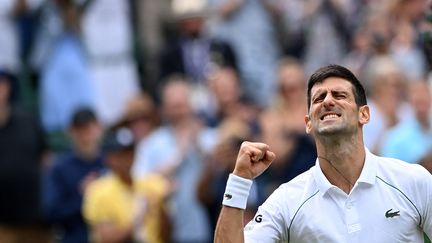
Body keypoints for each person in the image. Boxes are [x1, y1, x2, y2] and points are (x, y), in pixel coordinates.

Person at [214, 64, 432, 242]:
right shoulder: (287, 199)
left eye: (339, 95)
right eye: (319, 98)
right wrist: (239, 181)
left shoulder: (413, 180)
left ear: (364, 115)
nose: (328, 101)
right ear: (308, 123)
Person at [83, 126, 171, 243]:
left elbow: (167, 235)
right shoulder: (99, 191)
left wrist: (161, 208)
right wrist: (138, 218)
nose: (126, 160)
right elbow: (107, 238)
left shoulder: (151, 184)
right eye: (120, 155)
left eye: (129, 153)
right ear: (109, 158)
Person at [41, 107, 106, 243]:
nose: (85, 136)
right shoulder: (60, 169)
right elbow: (51, 213)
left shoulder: (112, 162)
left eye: (89, 129)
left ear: (99, 128)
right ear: (71, 132)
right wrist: (82, 197)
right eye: (80, 130)